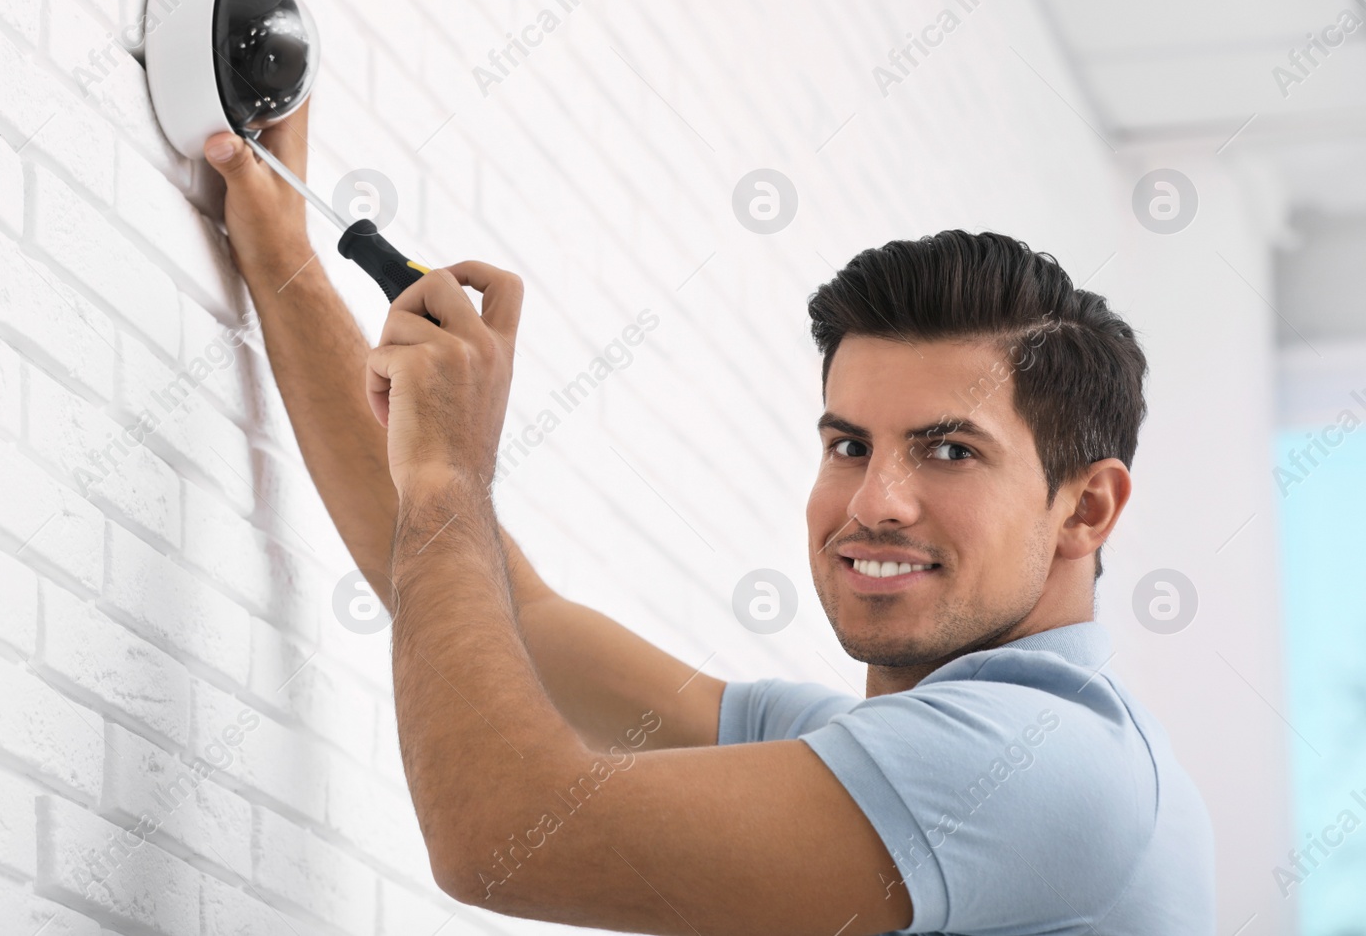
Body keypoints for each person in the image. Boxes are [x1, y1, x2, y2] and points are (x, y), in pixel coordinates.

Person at [201, 103, 1215, 935]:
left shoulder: (1037, 759)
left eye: (949, 450)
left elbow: (501, 835)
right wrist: (283, 252)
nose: (873, 502)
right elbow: (506, 618)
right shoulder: (898, 748)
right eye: (849, 443)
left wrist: (449, 481)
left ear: (1086, 505)